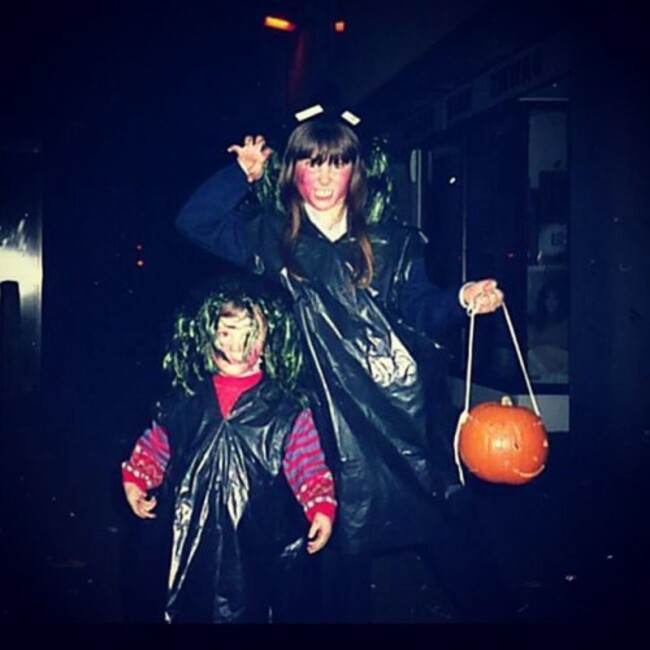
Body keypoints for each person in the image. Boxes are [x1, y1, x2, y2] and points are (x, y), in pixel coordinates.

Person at [174, 116, 507, 622]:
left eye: (338, 163)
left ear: (355, 172)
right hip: (325, 422)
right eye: (312, 162)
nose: (325, 177)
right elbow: (195, 223)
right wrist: (240, 174)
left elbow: (421, 309)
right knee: (339, 559)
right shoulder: (269, 238)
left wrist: (462, 299)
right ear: (292, 172)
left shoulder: (393, 242)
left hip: (402, 417)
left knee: (452, 539)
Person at [121, 274, 336, 623]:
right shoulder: (185, 400)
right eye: (225, 333)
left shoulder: (286, 408)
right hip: (190, 534)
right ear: (207, 337)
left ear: (266, 342)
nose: (236, 347)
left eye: (248, 335)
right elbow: (157, 443)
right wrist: (137, 478)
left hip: (259, 539)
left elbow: (308, 464)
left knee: (252, 608)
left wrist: (320, 506)